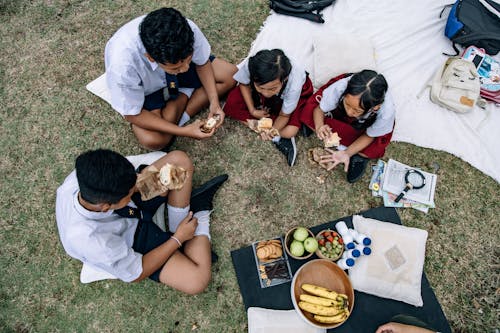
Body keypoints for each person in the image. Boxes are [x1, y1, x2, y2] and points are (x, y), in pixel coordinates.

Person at [55, 149, 228, 294]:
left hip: (126, 208)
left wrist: (141, 182)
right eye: (130, 193)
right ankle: (198, 211)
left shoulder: (84, 177)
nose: (137, 187)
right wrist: (177, 239)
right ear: (107, 207)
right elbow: (137, 273)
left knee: (179, 163)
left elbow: (133, 183)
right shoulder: (97, 244)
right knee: (196, 281)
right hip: (131, 240)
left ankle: (183, 219)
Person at [104, 8, 237, 150]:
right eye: (176, 68)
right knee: (154, 140)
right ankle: (184, 95)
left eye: (189, 59)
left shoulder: (186, 30)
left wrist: (214, 103)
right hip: (147, 89)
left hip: (169, 75)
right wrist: (184, 131)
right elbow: (131, 114)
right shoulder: (122, 65)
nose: (185, 68)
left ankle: (183, 99)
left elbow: (202, 63)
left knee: (231, 75)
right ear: (150, 57)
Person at [300, 70, 395, 182]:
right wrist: (320, 126)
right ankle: (348, 143)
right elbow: (319, 109)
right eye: (347, 104)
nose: (350, 112)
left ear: (376, 107)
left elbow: (370, 135)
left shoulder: (386, 112)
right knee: (309, 111)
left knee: (376, 146)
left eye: (357, 110)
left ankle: (358, 156)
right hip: (338, 113)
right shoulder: (340, 87)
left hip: (365, 126)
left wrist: (347, 153)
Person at [223, 49, 313, 166]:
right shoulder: (254, 65)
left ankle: (275, 133)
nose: (266, 93)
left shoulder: (294, 83)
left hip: (290, 97)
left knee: (290, 131)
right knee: (231, 103)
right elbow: (244, 84)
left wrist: (271, 131)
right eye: (260, 87)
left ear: (284, 79)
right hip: (266, 98)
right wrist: (252, 110)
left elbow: (284, 115)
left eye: (272, 88)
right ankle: (270, 127)